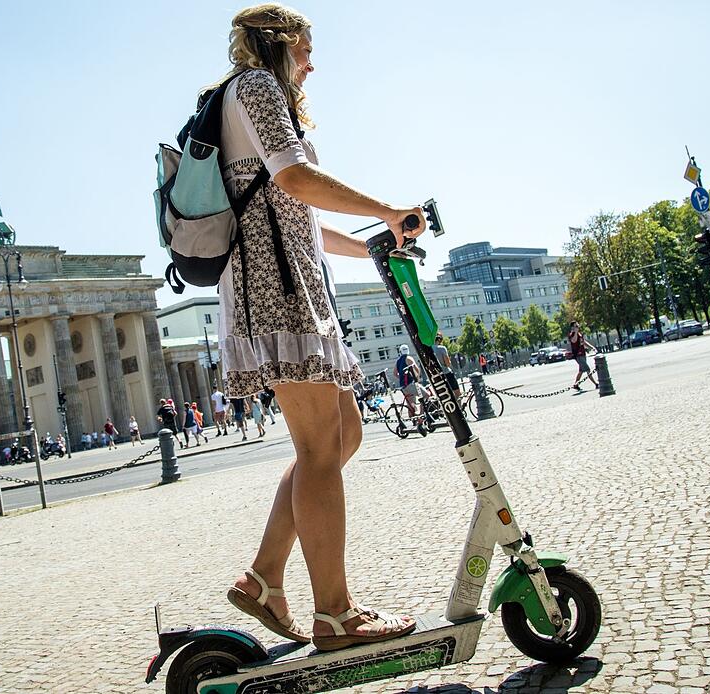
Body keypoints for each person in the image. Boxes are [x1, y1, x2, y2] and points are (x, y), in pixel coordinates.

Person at [210, 5, 421, 650]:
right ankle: (335, 614)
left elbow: (299, 212)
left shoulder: (254, 96)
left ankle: (263, 578)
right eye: (304, 47)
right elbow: (296, 178)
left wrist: (375, 243)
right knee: (320, 450)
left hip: (291, 283)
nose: (311, 62)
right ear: (277, 43)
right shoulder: (255, 87)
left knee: (341, 434)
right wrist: (385, 207)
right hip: (275, 293)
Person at [432, 330, 462, 401]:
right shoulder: (441, 348)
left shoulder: (429, 349)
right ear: (439, 339)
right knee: (457, 393)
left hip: (436, 376)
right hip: (447, 373)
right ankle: (458, 407)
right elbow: (448, 364)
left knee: (444, 396)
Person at [569, 321, 598, 391]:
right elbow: (573, 341)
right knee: (588, 370)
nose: (578, 327)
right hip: (578, 355)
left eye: (578, 325)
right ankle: (596, 384)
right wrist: (575, 332)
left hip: (583, 354)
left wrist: (592, 347)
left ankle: (576, 384)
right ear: (572, 327)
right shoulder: (572, 334)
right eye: (576, 326)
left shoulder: (579, 334)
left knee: (581, 371)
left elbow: (583, 342)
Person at [394, 345, 421, 420]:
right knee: (425, 395)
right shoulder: (409, 358)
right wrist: (417, 378)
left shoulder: (398, 361)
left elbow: (395, 373)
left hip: (403, 385)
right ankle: (421, 417)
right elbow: (417, 369)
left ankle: (413, 420)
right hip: (410, 383)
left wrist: (402, 378)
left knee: (410, 403)